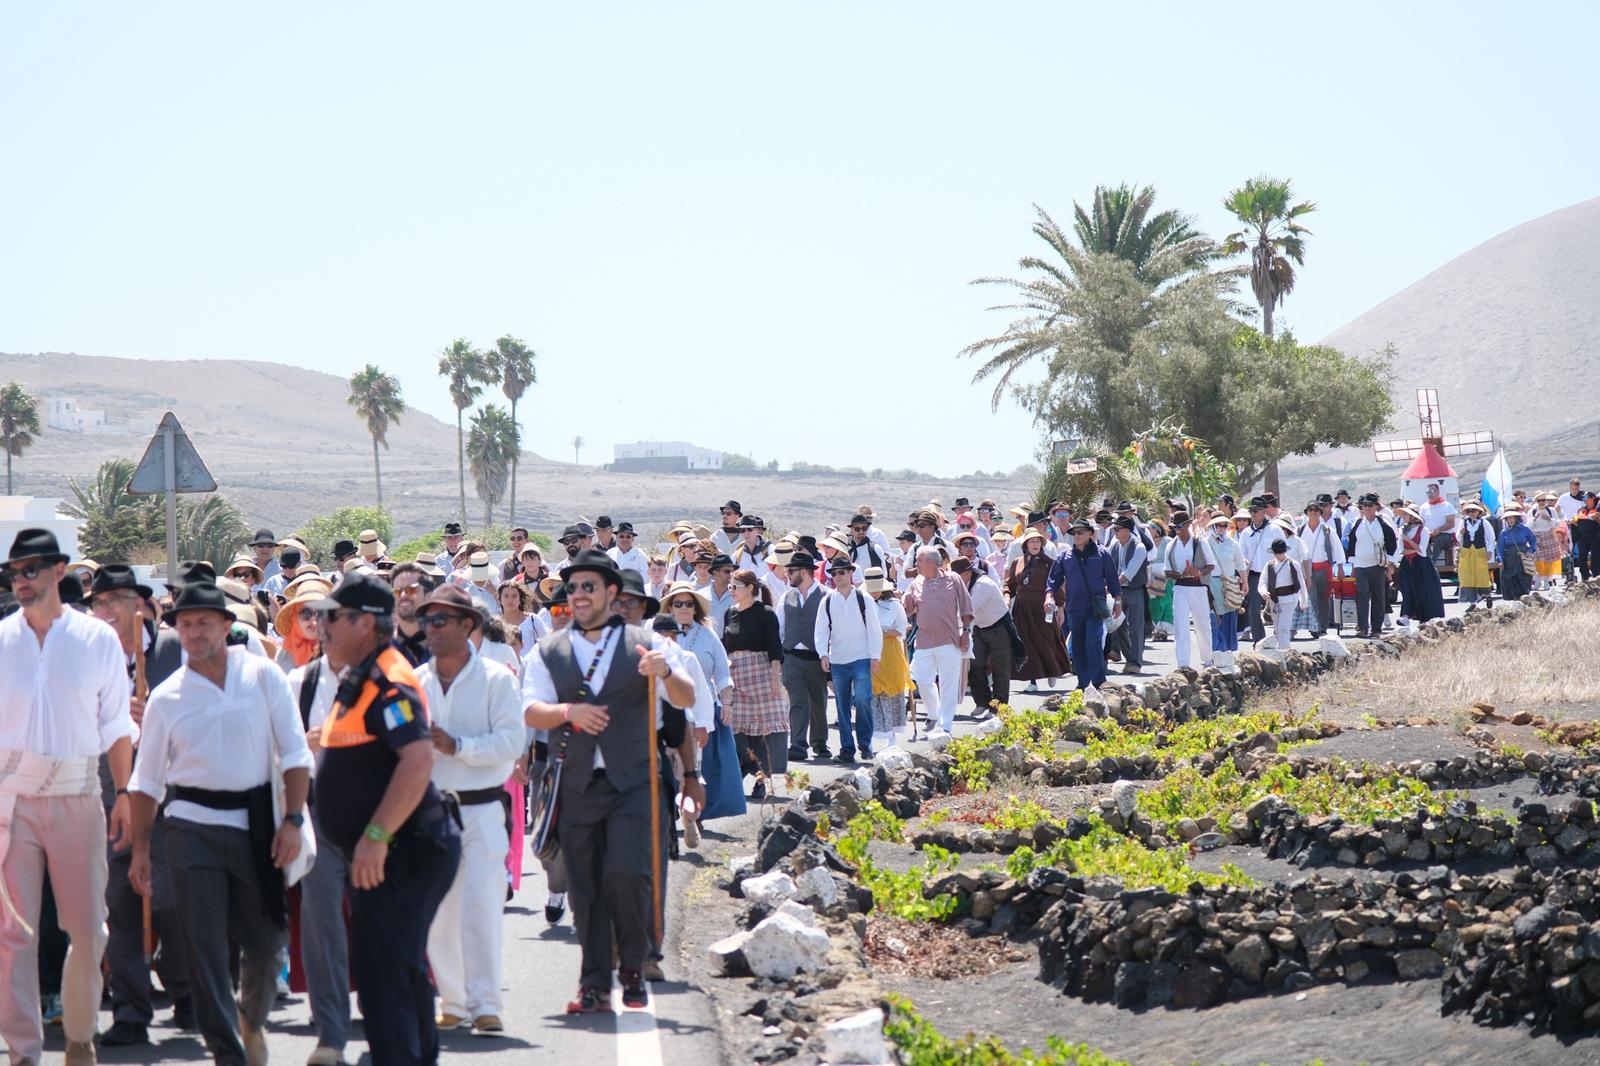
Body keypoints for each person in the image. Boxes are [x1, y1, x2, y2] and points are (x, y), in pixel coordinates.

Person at [128, 578, 314, 1066]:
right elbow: (146, 783)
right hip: (190, 828)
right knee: (205, 950)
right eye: (184, 624)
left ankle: (250, 1018)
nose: (193, 632)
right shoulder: (167, 698)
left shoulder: (263, 676)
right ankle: (228, 1053)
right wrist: (143, 850)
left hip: (258, 822)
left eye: (203, 622)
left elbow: (295, 753)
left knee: (268, 942)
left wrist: (293, 820)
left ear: (226, 626)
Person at [519, 551, 700, 1014]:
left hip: (634, 782)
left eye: (589, 587)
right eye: (573, 588)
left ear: (611, 594)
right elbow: (530, 710)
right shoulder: (547, 651)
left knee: (629, 874)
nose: (579, 595)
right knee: (585, 886)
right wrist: (567, 713)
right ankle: (594, 983)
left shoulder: (647, 644)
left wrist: (665, 672)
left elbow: (686, 697)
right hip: (576, 782)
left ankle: (635, 967)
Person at [311, 574, 460, 1066]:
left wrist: (375, 836)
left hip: (403, 849)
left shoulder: (389, 680)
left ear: (367, 623)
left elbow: (417, 760)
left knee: (382, 976)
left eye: (332, 616)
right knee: (400, 970)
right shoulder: (358, 672)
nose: (321, 625)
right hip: (386, 851)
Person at [0, 530, 134, 1066]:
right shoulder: (1, 639)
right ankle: (23, 1052)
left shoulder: (97, 639)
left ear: (61, 571)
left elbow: (117, 725)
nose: (21, 580)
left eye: (31, 569)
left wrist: (124, 793)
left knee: (88, 929)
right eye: (14, 572)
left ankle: (80, 1036)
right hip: (12, 798)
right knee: (14, 933)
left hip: (79, 792)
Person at [86, 566, 194, 1047]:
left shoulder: (174, 649)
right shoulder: (89, 657)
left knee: (171, 900)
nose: (104, 612)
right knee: (122, 903)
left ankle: (185, 987)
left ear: (139, 604)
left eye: (113, 602)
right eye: (98, 603)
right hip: (112, 793)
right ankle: (131, 1010)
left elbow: (206, 713)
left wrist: (159, 715)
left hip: (170, 791)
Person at [411, 586, 524, 1038]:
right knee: (437, 910)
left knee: (481, 904)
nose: (432, 629)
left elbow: (511, 743)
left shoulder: (498, 679)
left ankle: (486, 1003)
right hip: (431, 810)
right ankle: (453, 1001)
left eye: (442, 620)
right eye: (428, 621)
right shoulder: (415, 681)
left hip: (480, 808)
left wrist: (458, 747)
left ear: (467, 625)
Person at [720, 569, 787, 799]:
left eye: (736, 586)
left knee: (760, 731)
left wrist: (775, 678)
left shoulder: (766, 614)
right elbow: (725, 646)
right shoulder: (729, 614)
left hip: (760, 674)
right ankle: (750, 768)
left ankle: (759, 778)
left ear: (750, 588)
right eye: (730, 586)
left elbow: (775, 648)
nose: (732, 590)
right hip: (736, 676)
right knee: (736, 729)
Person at [814, 557, 883, 763]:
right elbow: (821, 629)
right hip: (838, 660)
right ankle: (847, 748)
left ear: (850, 573)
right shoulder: (827, 600)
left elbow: (874, 628)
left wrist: (875, 655)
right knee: (842, 706)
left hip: (861, 657)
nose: (837, 577)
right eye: (834, 573)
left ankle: (865, 742)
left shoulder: (864, 598)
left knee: (862, 699)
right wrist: (823, 653)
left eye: (841, 572)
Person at [902, 546, 974, 732]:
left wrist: (965, 632)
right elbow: (908, 610)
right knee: (922, 679)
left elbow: (966, 607)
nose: (915, 564)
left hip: (950, 640)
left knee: (949, 684)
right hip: (924, 641)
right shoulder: (916, 582)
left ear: (932, 563)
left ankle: (945, 726)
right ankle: (934, 712)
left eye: (919, 560)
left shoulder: (953, 578)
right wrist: (904, 604)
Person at [1047, 521, 1120, 689]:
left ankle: (1099, 681)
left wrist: (1117, 601)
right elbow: (1054, 579)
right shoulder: (1065, 556)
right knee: (1078, 645)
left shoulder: (1101, 554)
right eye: (1075, 533)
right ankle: (1082, 682)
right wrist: (1048, 596)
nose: (1077, 536)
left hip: (1095, 608)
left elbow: (1112, 579)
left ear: (1089, 533)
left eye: (1081, 532)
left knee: (1093, 640)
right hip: (1073, 607)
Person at [776, 551, 830, 762]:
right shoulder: (786, 596)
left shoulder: (826, 595)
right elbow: (779, 626)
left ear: (805, 572)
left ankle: (819, 743)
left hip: (817, 657)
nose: (787, 574)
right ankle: (797, 745)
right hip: (792, 657)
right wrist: (780, 652)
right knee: (798, 701)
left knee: (818, 701)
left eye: (791, 571)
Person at [1006, 529, 1070, 691]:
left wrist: (1061, 606)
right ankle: (1032, 681)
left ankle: (1052, 670)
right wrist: (1006, 596)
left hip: (1042, 606)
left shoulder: (1049, 563)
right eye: (1031, 541)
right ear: (1026, 544)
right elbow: (1011, 584)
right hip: (1022, 608)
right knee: (1026, 642)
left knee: (1047, 640)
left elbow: (1055, 586)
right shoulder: (1017, 562)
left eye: (1037, 541)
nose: (1034, 544)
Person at [958, 555, 1012, 707]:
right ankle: (982, 702)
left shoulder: (983, 585)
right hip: (979, 629)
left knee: (1000, 668)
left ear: (967, 573)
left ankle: (999, 707)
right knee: (975, 664)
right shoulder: (963, 585)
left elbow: (968, 611)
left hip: (998, 627)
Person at [1345, 494, 1399, 638]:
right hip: (1361, 565)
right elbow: (1352, 545)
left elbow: (1393, 544)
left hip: (1378, 565)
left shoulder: (1383, 524)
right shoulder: (1357, 523)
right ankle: (1362, 627)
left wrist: (1390, 564)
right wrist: (1353, 566)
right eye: (1364, 505)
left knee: (1378, 597)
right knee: (1361, 595)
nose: (1367, 508)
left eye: (1370, 505)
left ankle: (1376, 628)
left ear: (1376, 507)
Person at [1205, 514, 1248, 667]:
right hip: (1212, 583)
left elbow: (1240, 564)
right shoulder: (1205, 542)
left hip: (1230, 583)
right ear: (1213, 527)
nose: (1222, 528)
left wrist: (1245, 582)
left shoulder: (1232, 543)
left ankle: (1228, 652)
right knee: (1214, 619)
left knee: (1230, 618)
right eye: (1219, 525)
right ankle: (1216, 652)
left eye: (1224, 525)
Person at [1297, 501, 1345, 637]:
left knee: (1324, 599)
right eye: (1310, 510)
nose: (1313, 513)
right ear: (1306, 513)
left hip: (1324, 568)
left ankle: (1323, 627)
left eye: (1316, 510)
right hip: (1308, 569)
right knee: (1311, 598)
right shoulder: (1300, 530)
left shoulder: (1327, 530)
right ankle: (1314, 627)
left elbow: (1337, 548)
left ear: (1320, 513)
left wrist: (1340, 566)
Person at [1108, 516, 1148, 675]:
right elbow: (1109, 567)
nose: (1115, 532)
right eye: (1114, 530)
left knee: (1136, 627)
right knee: (1118, 626)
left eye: (1117, 529)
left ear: (1127, 530)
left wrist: (1110, 585)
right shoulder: (1114, 546)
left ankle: (1136, 661)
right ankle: (1129, 658)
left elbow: (1128, 573)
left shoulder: (1139, 548)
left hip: (1134, 589)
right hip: (1118, 591)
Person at [1394, 507, 1446, 625]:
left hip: (1421, 564)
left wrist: (1409, 541)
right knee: (1406, 589)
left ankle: (1426, 618)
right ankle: (1405, 615)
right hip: (1407, 563)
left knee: (1424, 591)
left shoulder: (1423, 530)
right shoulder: (1402, 530)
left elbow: (1422, 550)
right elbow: (1401, 550)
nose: (1404, 517)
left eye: (1406, 515)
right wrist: (1412, 548)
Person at [1257, 539, 1308, 652]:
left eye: (1280, 552)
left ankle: (1285, 650)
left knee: (1284, 627)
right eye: (1276, 553)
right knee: (1277, 627)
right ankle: (1280, 648)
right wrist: (1263, 592)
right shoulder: (1269, 565)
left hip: (1289, 599)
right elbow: (1263, 581)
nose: (1278, 555)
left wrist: (1303, 601)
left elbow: (1300, 583)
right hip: (1275, 600)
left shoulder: (1293, 564)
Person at [1455, 501, 1498, 608]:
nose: (1471, 513)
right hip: (1467, 552)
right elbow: (1458, 538)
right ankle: (1472, 601)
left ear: (1479, 512)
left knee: (1481, 575)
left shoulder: (1484, 523)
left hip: (1479, 551)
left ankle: (1486, 594)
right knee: (1466, 576)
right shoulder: (1463, 523)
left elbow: (1491, 538)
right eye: (1469, 511)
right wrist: (1461, 533)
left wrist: (1490, 551)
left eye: (1473, 511)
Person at [1529, 493, 1569, 589]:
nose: (1542, 502)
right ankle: (1538, 580)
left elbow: (1556, 524)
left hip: (1549, 534)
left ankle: (1547, 580)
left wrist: (1549, 519)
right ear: (1536, 501)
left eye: (1544, 500)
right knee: (1537, 560)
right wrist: (1534, 519)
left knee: (1549, 560)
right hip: (1536, 536)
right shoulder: (1533, 511)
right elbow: (1529, 526)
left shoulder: (1551, 510)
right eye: (1539, 501)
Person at [1497, 506, 1537, 600]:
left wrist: (1530, 551)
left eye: (1512, 518)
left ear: (1516, 518)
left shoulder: (1525, 529)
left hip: (1523, 559)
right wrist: (1500, 560)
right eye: (1508, 518)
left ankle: (1524, 598)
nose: (1510, 520)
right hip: (1509, 560)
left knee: (1524, 579)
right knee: (1509, 580)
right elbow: (1500, 548)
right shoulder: (1504, 533)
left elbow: (1533, 541)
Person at [1418, 483, 1459, 570]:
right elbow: (1421, 523)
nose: (1430, 494)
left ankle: (1431, 564)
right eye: (1428, 492)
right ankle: (1424, 562)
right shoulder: (1423, 507)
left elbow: (1451, 523)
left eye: (1432, 491)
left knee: (1439, 540)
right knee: (1423, 541)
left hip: (1445, 535)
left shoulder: (1447, 505)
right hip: (1429, 534)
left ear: (1438, 492)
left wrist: (1439, 530)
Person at [1573, 493, 1600, 583]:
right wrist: (1574, 522)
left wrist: (1596, 518)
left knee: (1595, 558)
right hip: (1583, 537)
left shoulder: (1597, 509)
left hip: (1595, 537)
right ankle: (1585, 578)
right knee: (1582, 559)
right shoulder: (1582, 509)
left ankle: (1596, 578)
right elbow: (1577, 523)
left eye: (1586, 498)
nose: (1584, 500)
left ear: (1592, 498)